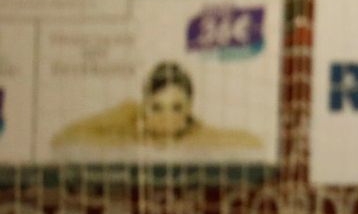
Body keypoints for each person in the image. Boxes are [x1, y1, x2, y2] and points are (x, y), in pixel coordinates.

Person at [52, 62, 262, 151]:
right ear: (144, 108)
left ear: (189, 110)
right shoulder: (127, 131)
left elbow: (253, 142)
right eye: (157, 108)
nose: (166, 118)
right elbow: (61, 138)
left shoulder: (196, 136)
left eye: (176, 108)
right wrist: (121, 117)